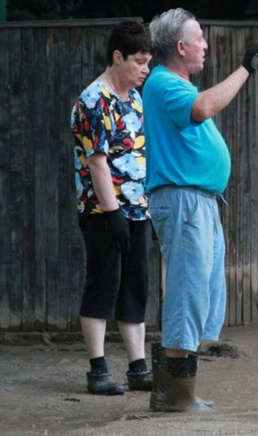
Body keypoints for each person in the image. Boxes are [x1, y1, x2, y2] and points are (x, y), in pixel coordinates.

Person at [143, 8, 258, 412]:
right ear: (180, 47)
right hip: (182, 201)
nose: (205, 45)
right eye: (199, 39)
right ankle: (176, 397)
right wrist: (245, 70)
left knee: (201, 294)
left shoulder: (177, 85)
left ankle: (174, 391)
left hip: (198, 202)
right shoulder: (166, 84)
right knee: (187, 292)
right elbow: (202, 108)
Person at [69, 20, 153, 396]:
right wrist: (112, 211)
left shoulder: (134, 97)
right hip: (105, 210)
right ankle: (98, 369)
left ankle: (138, 367)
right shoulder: (93, 101)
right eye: (138, 61)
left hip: (138, 208)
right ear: (117, 57)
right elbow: (97, 162)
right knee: (104, 283)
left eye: (148, 61)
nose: (145, 69)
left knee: (135, 285)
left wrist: (135, 208)